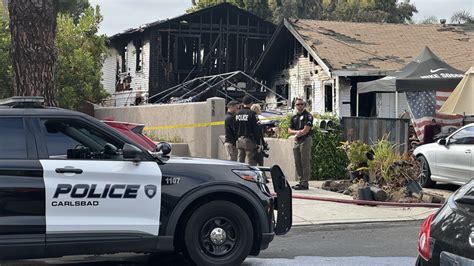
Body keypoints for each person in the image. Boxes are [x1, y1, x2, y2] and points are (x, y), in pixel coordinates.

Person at [288, 98, 313, 190]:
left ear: (304, 105)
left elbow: (306, 129)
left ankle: (305, 182)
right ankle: (300, 180)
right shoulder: (294, 117)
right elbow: (289, 130)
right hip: (297, 140)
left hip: (305, 140)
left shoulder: (308, 116)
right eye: (297, 104)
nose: (299, 106)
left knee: (305, 161)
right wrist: (297, 132)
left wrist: (298, 133)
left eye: (301, 104)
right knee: (297, 161)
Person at [235, 96, 259, 166]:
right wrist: (257, 142)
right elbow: (255, 128)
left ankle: (239, 175)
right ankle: (251, 176)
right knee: (251, 161)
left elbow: (235, 127)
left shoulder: (237, 113)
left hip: (239, 140)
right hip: (249, 140)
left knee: (240, 160)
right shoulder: (252, 113)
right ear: (251, 103)